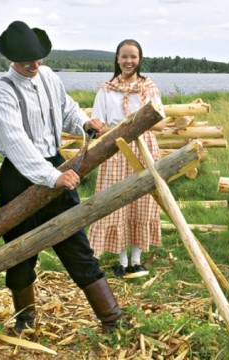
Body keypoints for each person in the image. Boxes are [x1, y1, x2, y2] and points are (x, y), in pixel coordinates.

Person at [0, 20, 124, 334]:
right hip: (20, 177)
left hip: (55, 167)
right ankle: (25, 320)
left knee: (75, 241)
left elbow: (67, 108)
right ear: (12, 60)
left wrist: (85, 123)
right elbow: (16, 143)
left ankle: (112, 320)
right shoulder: (2, 94)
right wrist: (51, 177)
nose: (34, 66)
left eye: (37, 59)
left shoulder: (47, 76)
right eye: (26, 63)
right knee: (19, 251)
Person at [87, 39, 167, 278]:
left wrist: (139, 124)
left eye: (133, 57)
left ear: (139, 59)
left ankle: (137, 259)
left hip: (144, 148)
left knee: (143, 200)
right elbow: (98, 124)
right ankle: (121, 260)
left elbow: (160, 122)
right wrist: (120, 129)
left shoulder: (149, 88)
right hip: (116, 148)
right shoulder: (106, 89)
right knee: (118, 201)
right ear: (117, 59)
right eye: (124, 56)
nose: (129, 61)